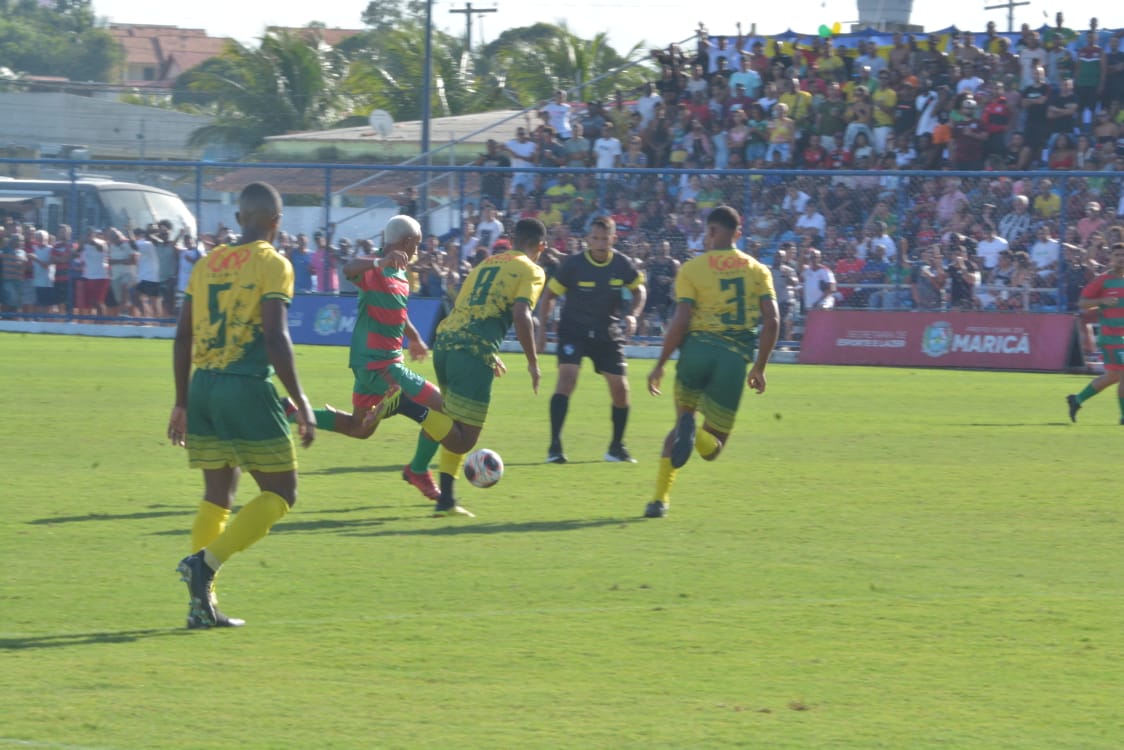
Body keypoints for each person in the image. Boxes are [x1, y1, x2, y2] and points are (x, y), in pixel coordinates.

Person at [169, 182, 316, 630]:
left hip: (203, 388)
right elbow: (275, 336)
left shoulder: (206, 263)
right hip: (245, 386)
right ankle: (205, 564)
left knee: (218, 495)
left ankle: (201, 605)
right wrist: (302, 400)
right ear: (276, 222)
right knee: (281, 493)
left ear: (239, 219)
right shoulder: (274, 263)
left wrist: (181, 401)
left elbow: (182, 335)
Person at [375, 218, 547, 517]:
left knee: (448, 420)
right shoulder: (532, 270)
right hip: (471, 352)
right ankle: (404, 405)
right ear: (540, 247)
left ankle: (445, 499)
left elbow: (468, 307)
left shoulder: (486, 264)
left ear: (512, 238)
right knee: (464, 438)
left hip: (447, 341)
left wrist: (487, 351)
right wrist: (532, 362)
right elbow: (522, 315)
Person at [644, 205, 778, 518]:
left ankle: (659, 500)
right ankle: (698, 434)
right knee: (712, 449)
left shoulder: (692, 269)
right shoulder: (758, 270)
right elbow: (772, 321)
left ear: (712, 232)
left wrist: (661, 363)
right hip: (732, 361)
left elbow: (680, 321)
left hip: (696, 354)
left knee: (680, 426)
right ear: (739, 234)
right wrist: (760, 366)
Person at [535, 216, 647, 464]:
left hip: (607, 332)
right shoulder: (573, 265)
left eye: (605, 238)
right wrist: (542, 331)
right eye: (595, 238)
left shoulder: (622, 264)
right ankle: (555, 446)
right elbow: (549, 296)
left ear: (613, 239)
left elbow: (640, 290)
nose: (599, 243)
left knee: (621, 389)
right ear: (587, 239)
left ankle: (616, 448)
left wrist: (632, 316)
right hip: (573, 330)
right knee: (567, 379)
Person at [1067, 243, 1124, 424]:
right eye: (1117, 255)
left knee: (1113, 376)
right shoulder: (1103, 280)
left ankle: (1077, 399)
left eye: (1123, 255)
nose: (1121, 258)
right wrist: (1103, 300)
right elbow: (1083, 302)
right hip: (1112, 336)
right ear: (1111, 258)